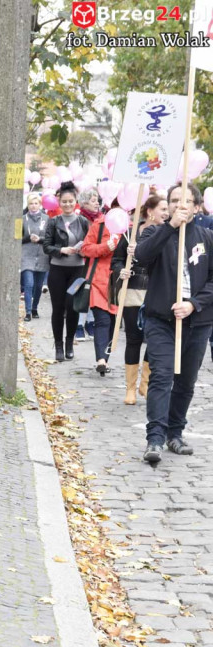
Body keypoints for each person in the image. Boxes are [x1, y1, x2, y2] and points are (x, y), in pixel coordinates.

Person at [134, 182, 213, 464]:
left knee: (186, 381)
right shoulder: (157, 232)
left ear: (196, 206)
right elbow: (141, 257)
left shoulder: (207, 237)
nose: (181, 205)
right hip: (161, 319)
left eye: (186, 200)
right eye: (175, 200)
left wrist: (194, 303)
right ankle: (154, 438)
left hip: (198, 321)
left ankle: (174, 433)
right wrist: (169, 228)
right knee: (162, 375)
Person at [112, 195, 166, 404]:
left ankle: (145, 382)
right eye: (162, 209)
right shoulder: (130, 233)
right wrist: (121, 270)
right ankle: (130, 389)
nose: (166, 213)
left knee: (155, 338)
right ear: (150, 211)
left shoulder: (168, 234)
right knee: (134, 339)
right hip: (133, 290)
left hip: (157, 291)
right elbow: (116, 261)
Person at [43, 182, 90, 362]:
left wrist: (82, 250)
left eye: (71, 201)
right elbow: (46, 246)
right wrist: (61, 250)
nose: (68, 205)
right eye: (64, 202)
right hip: (57, 269)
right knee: (58, 308)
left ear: (76, 201)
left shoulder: (83, 222)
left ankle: (70, 342)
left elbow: (90, 243)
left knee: (72, 306)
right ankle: (59, 346)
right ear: (59, 202)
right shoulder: (54, 222)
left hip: (77, 269)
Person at [77, 188, 119, 375]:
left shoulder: (131, 230)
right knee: (102, 320)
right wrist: (105, 247)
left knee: (112, 321)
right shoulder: (99, 225)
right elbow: (86, 249)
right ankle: (101, 359)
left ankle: (105, 358)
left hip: (119, 281)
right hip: (97, 280)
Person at [21, 193, 49, 322]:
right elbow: (16, 238)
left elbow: (50, 238)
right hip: (26, 255)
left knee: (38, 286)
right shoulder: (21, 219)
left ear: (40, 204)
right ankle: (27, 311)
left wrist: (40, 239)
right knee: (29, 284)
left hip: (42, 255)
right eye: (31, 203)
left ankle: (34, 308)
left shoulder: (47, 219)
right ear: (28, 204)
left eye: (36, 203)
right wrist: (28, 238)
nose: (33, 206)